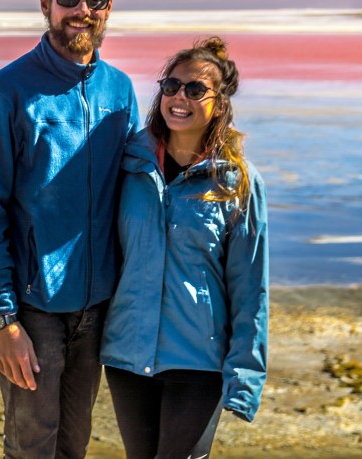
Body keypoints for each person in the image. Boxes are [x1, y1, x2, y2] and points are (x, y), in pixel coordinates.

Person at [0, 0, 139, 458]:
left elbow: (137, 188)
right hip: (33, 310)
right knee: (32, 447)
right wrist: (2, 320)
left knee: (74, 444)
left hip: (98, 304)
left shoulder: (118, 90)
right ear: (46, 2)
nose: (83, 9)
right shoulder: (6, 93)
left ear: (108, 7)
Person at [100, 37, 269, 459]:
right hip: (126, 353)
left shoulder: (237, 182)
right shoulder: (127, 165)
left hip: (198, 359)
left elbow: (251, 289)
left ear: (220, 102)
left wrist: (245, 378)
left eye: (195, 90)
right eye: (171, 86)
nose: (179, 98)